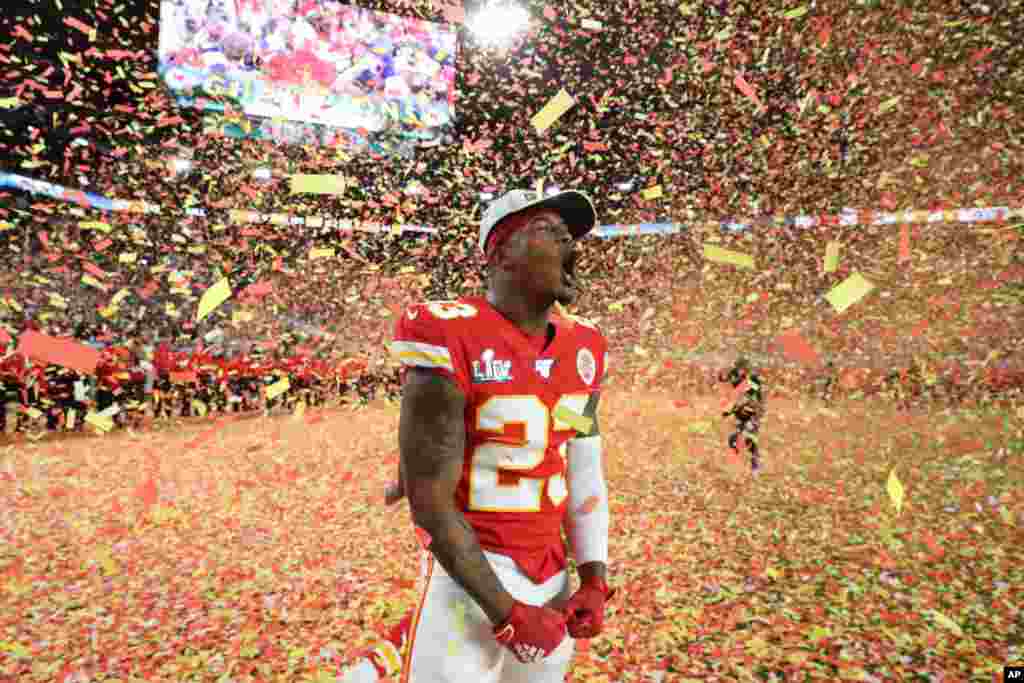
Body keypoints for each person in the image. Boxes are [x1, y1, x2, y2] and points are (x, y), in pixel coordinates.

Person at [363, 189, 615, 683]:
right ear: (499, 252)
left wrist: (594, 577)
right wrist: (508, 614)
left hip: (552, 576)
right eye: (551, 232)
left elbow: (583, 468)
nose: (572, 246)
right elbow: (430, 502)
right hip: (471, 582)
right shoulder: (450, 334)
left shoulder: (582, 349)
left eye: (572, 237)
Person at [719, 356, 765, 473]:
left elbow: (751, 398)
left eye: (742, 369)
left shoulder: (752, 381)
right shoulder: (737, 377)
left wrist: (730, 411)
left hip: (752, 413)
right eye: (738, 369)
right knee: (733, 440)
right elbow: (724, 379)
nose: (740, 371)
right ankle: (748, 464)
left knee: (748, 438)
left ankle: (755, 465)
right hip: (742, 413)